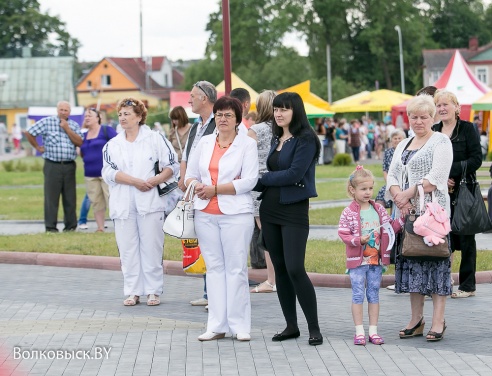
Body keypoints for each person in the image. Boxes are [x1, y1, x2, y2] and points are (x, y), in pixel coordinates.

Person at [184, 96, 259, 342]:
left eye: (228, 115)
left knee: (236, 269)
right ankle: (216, 325)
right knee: (214, 269)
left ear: (238, 119)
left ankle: (239, 325)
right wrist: (197, 186)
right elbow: (189, 176)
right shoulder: (204, 142)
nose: (222, 119)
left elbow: (249, 181)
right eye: (219, 114)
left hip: (236, 214)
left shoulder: (246, 144)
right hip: (205, 213)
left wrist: (215, 189)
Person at [254, 92, 323, 346]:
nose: (279, 113)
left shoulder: (306, 140)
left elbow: (295, 173)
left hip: (293, 210)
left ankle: (314, 328)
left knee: (295, 268)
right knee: (280, 269)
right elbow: (278, 172)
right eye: (276, 109)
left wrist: (260, 179)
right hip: (269, 210)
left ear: (296, 111)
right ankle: (291, 326)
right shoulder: (277, 138)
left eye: (284, 109)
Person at [386, 94, 452, 342]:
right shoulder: (403, 143)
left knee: (435, 263)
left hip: (433, 214)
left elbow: (436, 176)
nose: (418, 121)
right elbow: (392, 175)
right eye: (414, 117)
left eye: (424, 117)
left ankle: (438, 321)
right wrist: (398, 197)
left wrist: (408, 193)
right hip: (407, 214)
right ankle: (416, 320)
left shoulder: (441, 141)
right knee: (413, 262)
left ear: (433, 118)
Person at [102, 97, 179, 307]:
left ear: (139, 116)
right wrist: (134, 181)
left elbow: (172, 165)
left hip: (150, 202)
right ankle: (133, 291)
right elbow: (108, 172)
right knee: (127, 248)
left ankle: (153, 290)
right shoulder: (112, 145)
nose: (122, 118)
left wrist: (156, 180)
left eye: (127, 114)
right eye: (120, 114)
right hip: (123, 204)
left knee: (152, 246)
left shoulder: (155, 139)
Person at [338, 166, 403, 346]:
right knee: (358, 295)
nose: (368, 193)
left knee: (374, 294)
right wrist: (357, 240)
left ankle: (373, 331)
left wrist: (402, 219)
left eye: (370, 188)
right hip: (357, 263)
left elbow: (391, 228)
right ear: (353, 190)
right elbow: (343, 233)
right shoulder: (349, 212)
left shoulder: (379, 210)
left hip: (375, 261)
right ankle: (359, 331)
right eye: (363, 189)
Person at [432, 89, 482, 299]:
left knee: (466, 237)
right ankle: (442, 282)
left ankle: (467, 285)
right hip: (440, 193)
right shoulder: (434, 130)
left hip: (464, 191)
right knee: (441, 237)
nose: (442, 108)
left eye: (446, 104)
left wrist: (451, 171)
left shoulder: (468, 129)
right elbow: (429, 160)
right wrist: (441, 177)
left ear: (456, 107)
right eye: (439, 105)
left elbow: (476, 159)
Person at [179, 81, 217, 308]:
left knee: (214, 245)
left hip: (213, 192)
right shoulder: (196, 126)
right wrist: (184, 182)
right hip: (195, 192)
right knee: (203, 243)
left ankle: (215, 295)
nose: (189, 100)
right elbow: (187, 156)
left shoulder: (219, 123)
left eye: (193, 96)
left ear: (204, 98)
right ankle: (207, 292)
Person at [25, 101, 83, 232]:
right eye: (61, 110)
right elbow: (29, 132)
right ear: (57, 110)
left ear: (70, 112)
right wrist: (37, 147)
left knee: (70, 197)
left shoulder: (73, 125)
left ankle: (70, 226)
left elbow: (80, 142)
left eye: (66, 110)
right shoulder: (47, 122)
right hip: (52, 165)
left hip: (69, 165)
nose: (63, 112)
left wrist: (67, 129)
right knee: (51, 198)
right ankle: (51, 227)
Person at [248, 90, 277, 291]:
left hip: (258, 185)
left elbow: (244, 156)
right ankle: (277, 278)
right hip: (278, 182)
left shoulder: (256, 130)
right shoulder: (282, 128)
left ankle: (271, 280)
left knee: (266, 234)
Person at [80, 108, 117, 232]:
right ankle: (100, 227)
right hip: (90, 174)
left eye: (90, 115)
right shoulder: (84, 135)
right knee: (96, 202)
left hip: (106, 173)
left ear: (98, 117)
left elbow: (118, 145)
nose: (87, 118)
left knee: (111, 199)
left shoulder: (106, 130)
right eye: (85, 116)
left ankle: (119, 226)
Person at [375, 129, 406, 208]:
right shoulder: (387, 152)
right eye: (395, 138)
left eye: (399, 138)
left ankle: (394, 219)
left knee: (396, 197)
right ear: (391, 140)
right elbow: (385, 169)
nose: (397, 140)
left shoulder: (407, 152)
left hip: (403, 183)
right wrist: (389, 182)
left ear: (404, 139)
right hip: (390, 182)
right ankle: (380, 216)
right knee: (381, 194)